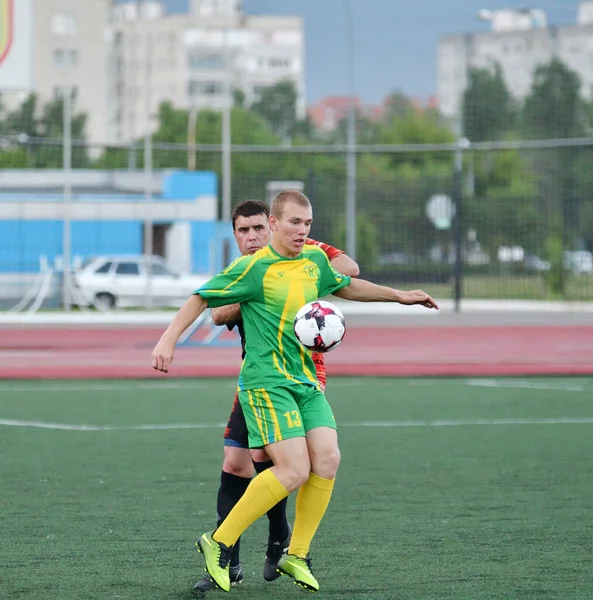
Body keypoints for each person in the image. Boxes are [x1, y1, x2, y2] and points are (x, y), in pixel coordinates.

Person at [152, 190, 438, 593]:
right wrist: (168, 340)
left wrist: (399, 296)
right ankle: (218, 542)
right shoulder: (254, 267)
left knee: (328, 458)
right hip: (267, 385)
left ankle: (295, 554)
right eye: (294, 223)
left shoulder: (314, 260)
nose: (302, 230)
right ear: (274, 223)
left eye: (307, 223)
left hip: (306, 381)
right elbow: (202, 299)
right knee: (291, 470)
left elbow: (346, 285)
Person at [193, 199, 359, 594]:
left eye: (257, 230)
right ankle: (229, 559)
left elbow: (349, 270)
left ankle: (280, 545)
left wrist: (305, 270)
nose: (250, 237)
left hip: (302, 377)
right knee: (237, 462)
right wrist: (257, 290)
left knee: (283, 463)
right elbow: (216, 313)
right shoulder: (251, 269)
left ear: (272, 227)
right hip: (257, 379)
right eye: (242, 231)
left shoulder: (305, 250)